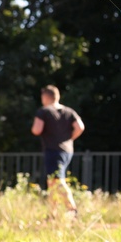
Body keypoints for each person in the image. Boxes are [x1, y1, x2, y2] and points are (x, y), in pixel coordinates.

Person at [31, 86, 83, 219]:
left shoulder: (44, 111)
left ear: (45, 97)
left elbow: (37, 130)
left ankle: (72, 209)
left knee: (57, 180)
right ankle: (52, 214)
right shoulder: (69, 111)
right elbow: (80, 127)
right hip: (67, 150)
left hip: (53, 150)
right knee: (52, 183)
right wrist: (69, 138)